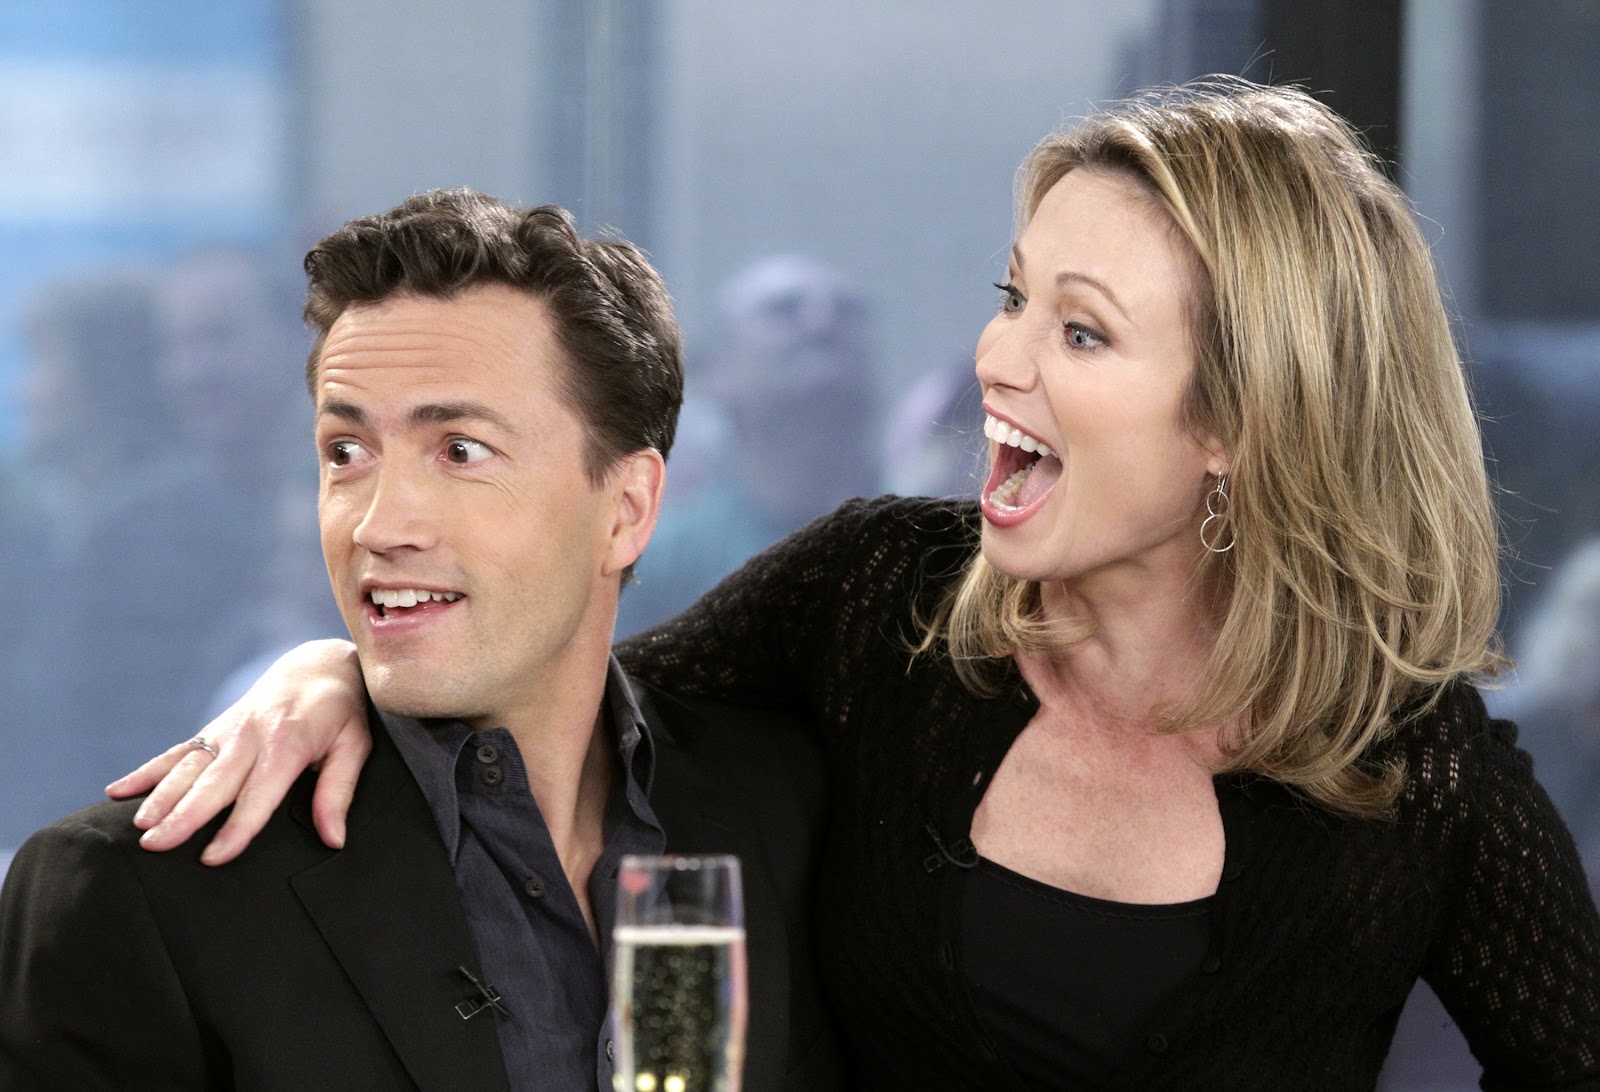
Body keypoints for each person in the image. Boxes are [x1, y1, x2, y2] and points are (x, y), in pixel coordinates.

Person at [108, 79, 1600, 1086]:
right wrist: (332, 673)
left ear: (1235, 423)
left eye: (1080, 333)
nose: (997, 359)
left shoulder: (1422, 779)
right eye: (1014, 295)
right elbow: (568, 701)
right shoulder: (877, 591)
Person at [0, 190, 838, 1092]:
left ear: (626, 509)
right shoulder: (132, 895)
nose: (377, 523)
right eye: (345, 453)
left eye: (461, 450)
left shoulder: (787, 813)